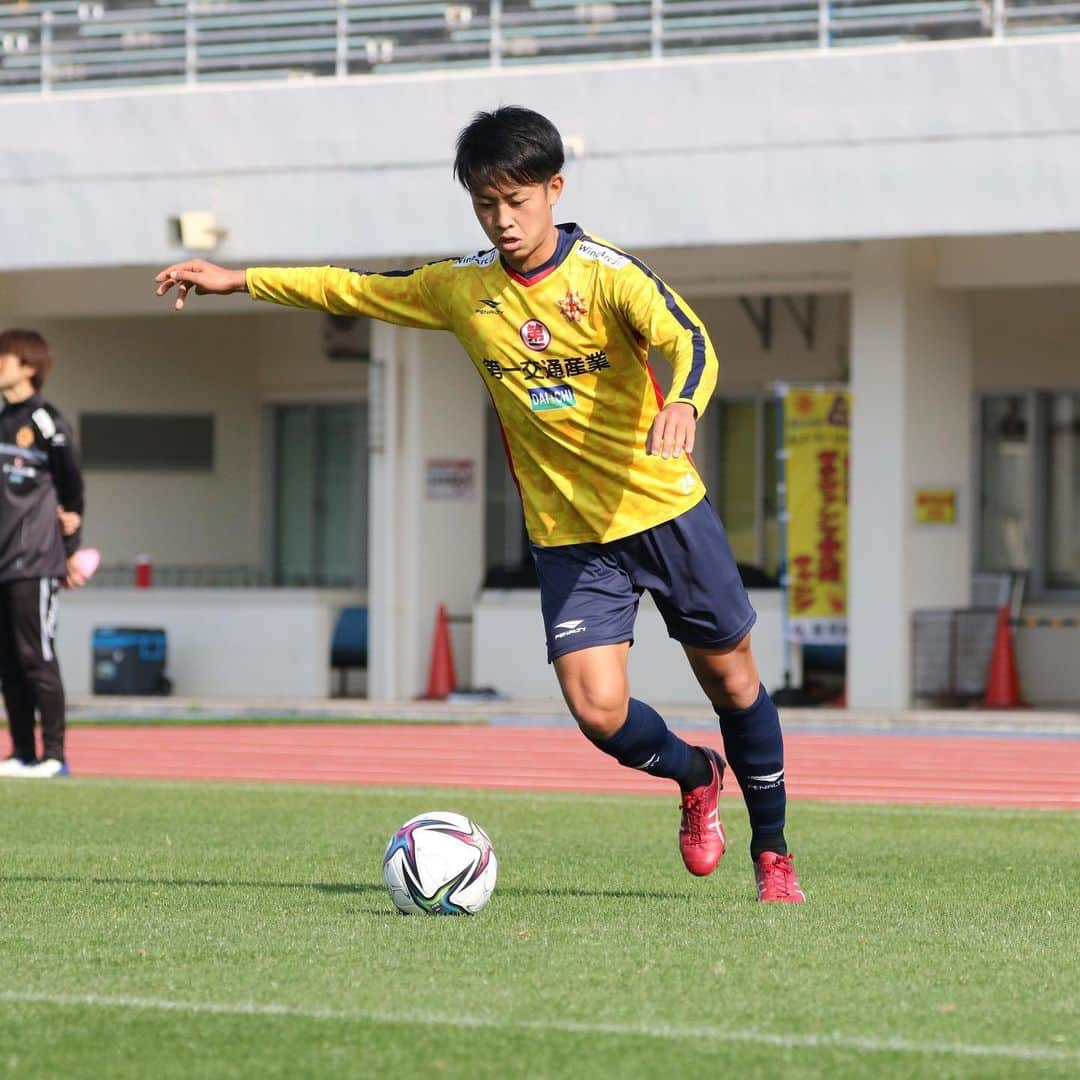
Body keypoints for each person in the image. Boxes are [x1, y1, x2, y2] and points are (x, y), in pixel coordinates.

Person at [155, 106, 805, 902]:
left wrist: (687, 405)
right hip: (569, 537)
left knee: (733, 684)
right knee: (599, 711)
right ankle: (697, 774)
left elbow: (689, 340)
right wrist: (237, 278)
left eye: (517, 201)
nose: (502, 220)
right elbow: (353, 288)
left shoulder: (608, 275)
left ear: (554, 189)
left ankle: (772, 853)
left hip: (667, 512)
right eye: (485, 204)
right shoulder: (463, 289)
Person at [0, 329, 88, 778]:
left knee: (36, 656)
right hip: (1, 563)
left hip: (33, 559)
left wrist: (69, 549)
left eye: (5, 356)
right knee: (8, 662)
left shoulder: (47, 422)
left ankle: (54, 756)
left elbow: (71, 489)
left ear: (28, 366)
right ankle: (21, 753)